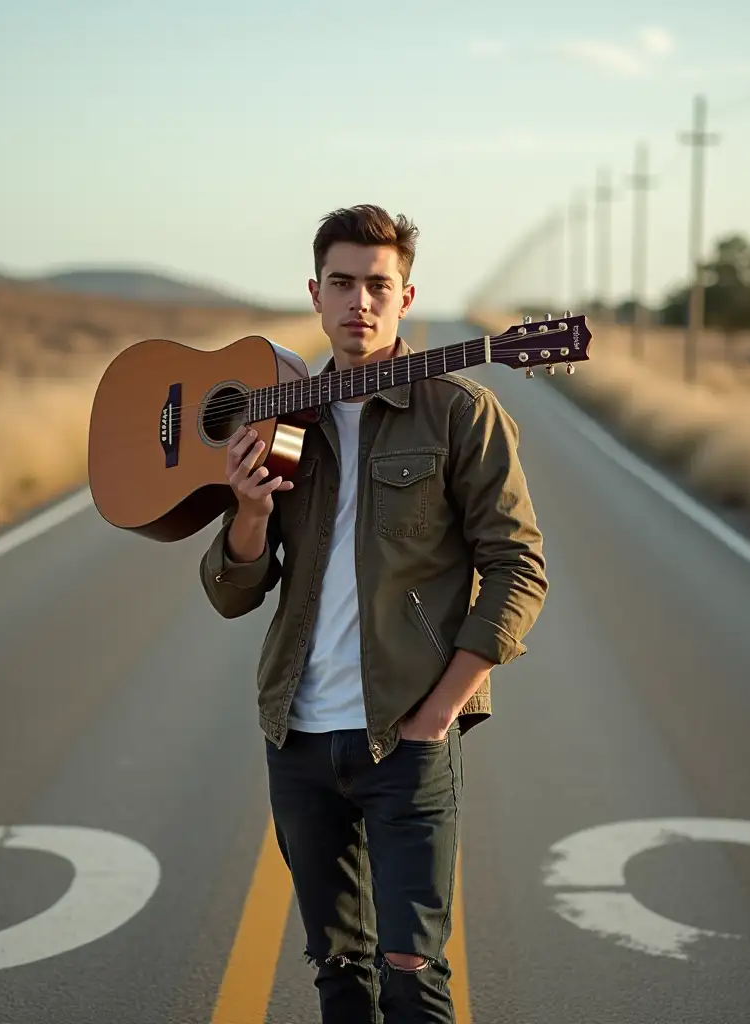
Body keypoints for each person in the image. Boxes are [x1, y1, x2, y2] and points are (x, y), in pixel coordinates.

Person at [199, 204, 548, 1023]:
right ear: (315, 296)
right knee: (337, 970)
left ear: (406, 298)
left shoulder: (460, 413)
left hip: (406, 739)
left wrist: (439, 713)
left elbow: (518, 569)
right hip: (298, 735)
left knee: (411, 974)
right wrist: (248, 512)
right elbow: (232, 591)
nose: (360, 301)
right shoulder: (280, 418)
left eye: (377, 286)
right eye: (343, 283)